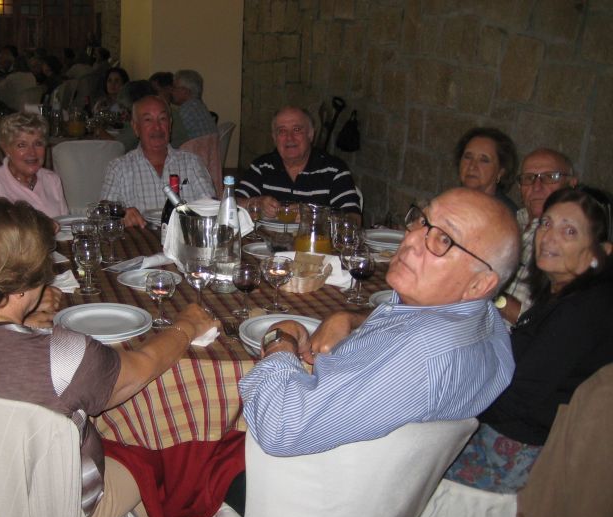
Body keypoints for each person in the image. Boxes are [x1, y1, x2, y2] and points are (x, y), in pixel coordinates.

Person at [0, 198, 217, 517]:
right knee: (154, 455)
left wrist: (21, 323)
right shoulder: (62, 355)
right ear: (26, 279)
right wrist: (186, 326)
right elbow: (143, 366)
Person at [239, 188, 520, 457]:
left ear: (480, 283)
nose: (411, 239)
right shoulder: (487, 320)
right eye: (423, 221)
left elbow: (280, 426)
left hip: (307, 477)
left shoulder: (417, 355)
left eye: (444, 240)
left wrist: (280, 338)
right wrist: (352, 318)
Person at [446, 186, 613, 493]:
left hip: (515, 454)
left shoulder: (581, 312)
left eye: (569, 231)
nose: (548, 237)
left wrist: (449, 400)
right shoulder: (568, 295)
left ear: (600, 250)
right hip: (511, 432)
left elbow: (517, 400)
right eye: (546, 223)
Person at [99, 95, 215, 227]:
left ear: (170, 125)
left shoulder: (191, 163)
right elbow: (103, 212)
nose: (157, 127)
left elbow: (211, 207)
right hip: (141, 238)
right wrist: (122, 215)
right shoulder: (119, 168)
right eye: (148, 120)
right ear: (136, 127)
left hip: (184, 236)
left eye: (162, 119)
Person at [495, 148, 577, 323]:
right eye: (528, 178)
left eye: (550, 177)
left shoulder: (572, 242)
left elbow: (543, 325)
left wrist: (492, 296)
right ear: (520, 187)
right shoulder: (506, 222)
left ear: (571, 184)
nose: (537, 186)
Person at [236, 106, 363, 219]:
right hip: (266, 238)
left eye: (297, 129)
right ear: (274, 138)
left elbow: (354, 219)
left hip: (315, 239)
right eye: (282, 131)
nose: (289, 137)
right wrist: (254, 203)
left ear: (310, 134)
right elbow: (232, 203)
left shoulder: (334, 170)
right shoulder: (262, 167)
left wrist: (313, 215)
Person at [0, 112, 68, 218]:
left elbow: (66, 223)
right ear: (6, 149)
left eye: (38, 144)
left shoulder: (52, 180)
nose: (32, 153)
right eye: (22, 145)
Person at [454, 127, 518, 214]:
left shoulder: (505, 214)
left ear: (500, 172)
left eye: (484, 160)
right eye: (468, 157)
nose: (472, 166)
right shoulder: (446, 203)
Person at [171, 69, 217, 141]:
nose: (172, 91)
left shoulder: (186, 111)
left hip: (197, 147)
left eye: (174, 87)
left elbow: (172, 137)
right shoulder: (198, 106)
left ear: (185, 91)